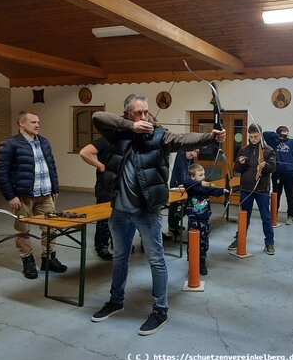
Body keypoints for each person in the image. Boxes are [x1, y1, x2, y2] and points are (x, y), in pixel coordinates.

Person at [90, 94, 226, 336]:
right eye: (138, 113)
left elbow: (183, 139)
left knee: (156, 260)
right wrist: (131, 127)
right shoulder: (118, 133)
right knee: (120, 257)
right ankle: (116, 301)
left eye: (146, 112)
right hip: (120, 211)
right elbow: (97, 116)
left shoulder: (159, 135)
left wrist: (210, 136)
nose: (144, 116)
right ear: (127, 113)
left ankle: (160, 310)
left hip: (147, 211)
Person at [0, 111, 67, 279]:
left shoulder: (44, 142)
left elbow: (51, 166)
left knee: (51, 227)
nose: (37, 125)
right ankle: (28, 262)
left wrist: (55, 188)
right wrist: (10, 196)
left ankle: (49, 260)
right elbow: (1, 172)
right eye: (33, 122)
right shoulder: (10, 144)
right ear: (22, 123)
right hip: (23, 197)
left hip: (45, 194)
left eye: (38, 122)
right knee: (23, 230)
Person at [228, 124, 276, 255]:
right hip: (246, 189)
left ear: (261, 135)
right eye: (251, 137)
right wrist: (240, 163)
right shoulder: (244, 150)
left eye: (256, 136)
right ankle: (239, 239)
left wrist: (266, 165)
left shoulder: (268, 150)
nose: (253, 139)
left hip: (262, 190)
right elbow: (237, 169)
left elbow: (273, 167)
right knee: (244, 217)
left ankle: (269, 243)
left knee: (266, 217)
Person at [182, 163, 228, 275]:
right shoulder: (191, 187)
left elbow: (213, 191)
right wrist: (201, 183)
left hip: (204, 220)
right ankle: (192, 263)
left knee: (203, 243)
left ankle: (202, 262)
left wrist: (224, 191)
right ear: (193, 177)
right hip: (193, 220)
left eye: (204, 174)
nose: (203, 177)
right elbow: (186, 182)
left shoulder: (205, 187)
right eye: (200, 175)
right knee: (193, 243)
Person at [79, 138, 113, 260]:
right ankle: (101, 246)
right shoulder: (104, 140)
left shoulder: (123, 141)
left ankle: (118, 243)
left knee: (121, 217)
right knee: (104, 219)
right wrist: (100, 165)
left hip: (120, 185)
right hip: (105, 186)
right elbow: (84, 152)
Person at [167, 150, 198, 238]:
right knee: (175, 206)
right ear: (189, 149)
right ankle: (172, 226)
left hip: (183, 186)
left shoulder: (189, 158)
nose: (191, 157)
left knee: (186, 204)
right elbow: (184, 175)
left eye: (193, 157)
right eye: (191, 155)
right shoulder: (181, 156)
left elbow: (191, 171)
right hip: (176, 185)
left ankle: (175, 223)